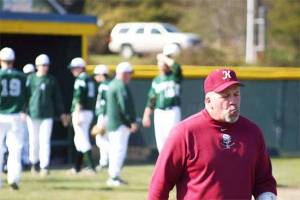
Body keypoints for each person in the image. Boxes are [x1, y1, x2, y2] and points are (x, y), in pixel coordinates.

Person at [148, 68, 277, 200]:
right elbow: (159, 185)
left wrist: (266, 196)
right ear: (208, 100)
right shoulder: (184, 132)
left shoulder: (252, 132)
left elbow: (264, 180)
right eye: (225, 96)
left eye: (236, 94)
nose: (232, 100)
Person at [26, 54, 68, 176]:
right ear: (37, 66)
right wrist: (24, 110)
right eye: (43, 65)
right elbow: (25, 96)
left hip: (47, 115)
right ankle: (34, 164)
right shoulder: (31, 79)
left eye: (47, 65)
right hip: (32, 114)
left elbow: (57, 99)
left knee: (45, 141)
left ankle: (44, 166)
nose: (45, 67)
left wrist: (61, 114)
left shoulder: (51, 80)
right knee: (33, 140)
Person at [142, 43, 183, 152]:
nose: (162, 64)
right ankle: (164, 165)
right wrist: (146, 115)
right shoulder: (156, 80)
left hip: (172, 110)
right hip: (159, 112)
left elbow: (177, 68)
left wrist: (164, 57)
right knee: (160, 141)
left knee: (172, 138)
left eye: (164, 62)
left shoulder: (174, 76)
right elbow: (151, 99)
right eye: (160, 62)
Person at [106, 62, 138, 186]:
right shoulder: (120, 86)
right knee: (119, 150)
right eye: (129, 73)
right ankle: (114, 177)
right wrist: (131, 122)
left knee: (115, 150)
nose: (130, 76)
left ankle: (113, 176)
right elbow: (124, 107)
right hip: (120, 124)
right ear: (124, 74)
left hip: (114, 123)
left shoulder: (112, 84)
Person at [0, 47, 27, 190]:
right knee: (15, 149)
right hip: (16, 115)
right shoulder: (22, 77)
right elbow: (28, 96)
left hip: (0, 114)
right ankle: (13, 178)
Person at [69, 57, 97, 174]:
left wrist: (78, 112)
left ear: (81, 68)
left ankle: (91, 167)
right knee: (79, 139)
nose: (72, 71)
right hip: (88, 111)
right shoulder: (89, 79)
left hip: (82, 111)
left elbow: (79, 96)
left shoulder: (81, 78)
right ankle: (77, 167)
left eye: (74, 68)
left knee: (82, 138)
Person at [93, 64, 110, 171]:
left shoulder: (104, 85)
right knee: (104, 139)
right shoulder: (107, 84)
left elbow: (105, 103)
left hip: (104, 115)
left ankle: (108, 159)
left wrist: (103, 118)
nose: (95, 77)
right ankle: (104, 162)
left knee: (100, 139)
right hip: (106, 115)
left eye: (96, 75)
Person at [21, 63, 35, 169]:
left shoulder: (36, 83)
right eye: (28, 74)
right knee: (23, 137)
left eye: (31, 73)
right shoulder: (23, 84)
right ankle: (25, 159)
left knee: (32, 138)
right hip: (22, 114)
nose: (30, 75)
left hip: (33, 114)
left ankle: (31, 160)